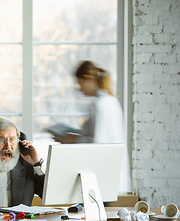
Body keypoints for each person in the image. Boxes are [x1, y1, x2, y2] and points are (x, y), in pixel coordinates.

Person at [54, 60, 131, 194]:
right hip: (113, 172)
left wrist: (72, 140)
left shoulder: (99, 105)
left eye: (80, 83)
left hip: (102, 175)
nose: (80, 88)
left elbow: (98, 143)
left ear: (88, 79)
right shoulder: (112, 101)